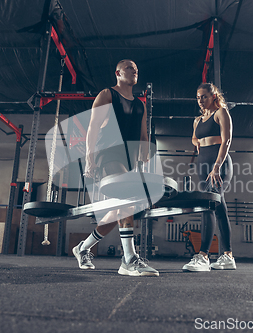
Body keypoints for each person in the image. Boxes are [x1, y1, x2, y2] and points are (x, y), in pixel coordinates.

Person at [72, 59, 159, 277]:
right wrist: (90, 159)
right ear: (118, 73)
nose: (134, 70)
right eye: (129, 68)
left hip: (128, 160)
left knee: (117, 212)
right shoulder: (107, 94)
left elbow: (143, 136)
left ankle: (83, 247)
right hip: (107, 154)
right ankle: (129, 259)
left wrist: (144, 162)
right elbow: (92, 128)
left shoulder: (140, 104)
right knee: (126, 200)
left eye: (136, 68)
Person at [182, 82, 236, 271]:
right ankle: (228, 256)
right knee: (219, 208)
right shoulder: (197, 120)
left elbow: (227, 140)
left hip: (218, 163)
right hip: (202, 164)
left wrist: (217, 166)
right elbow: (194, 137)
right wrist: (196, 142)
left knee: (208, 204)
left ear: (213, 96)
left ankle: (203, 255)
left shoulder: (221, 113)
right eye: (198, 97)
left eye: (204, 96)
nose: (201, 100)